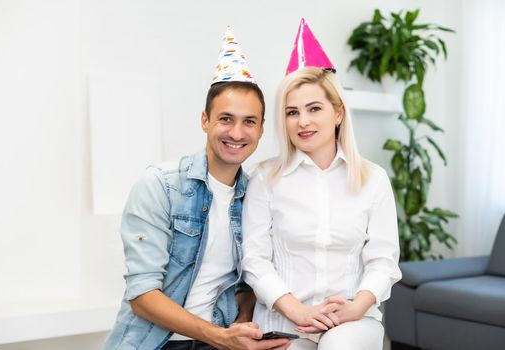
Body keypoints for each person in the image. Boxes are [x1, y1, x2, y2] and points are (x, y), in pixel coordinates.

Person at [104, 26, 290, 350]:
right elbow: (142, 295)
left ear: (261, 129)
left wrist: (242, 323)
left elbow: (246, 282)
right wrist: (220, 338)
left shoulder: (256, 196)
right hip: (155, 343)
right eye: (225, 119)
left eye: (249, 121)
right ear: (205, 120)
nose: (236, 132)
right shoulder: (160, 187)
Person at [241, 19, 402, 350]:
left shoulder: (373, 179)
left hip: (352, 320)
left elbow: (383, 261)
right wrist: (296, 310)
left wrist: (356, 306)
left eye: (314, 108)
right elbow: (255, 260)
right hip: (283, 320)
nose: (303, 121)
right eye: (291, 112)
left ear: (338, 112)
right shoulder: (264, 177)